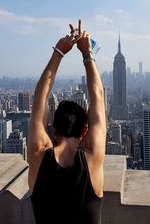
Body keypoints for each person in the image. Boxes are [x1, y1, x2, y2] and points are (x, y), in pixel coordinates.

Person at [28, 20, 106, 224]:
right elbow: (97, 94)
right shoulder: (92, 158)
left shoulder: (37, 153)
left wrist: (59, 52)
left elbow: (40, 96)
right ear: (84, 131)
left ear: (54, 130)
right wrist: (87, 53)